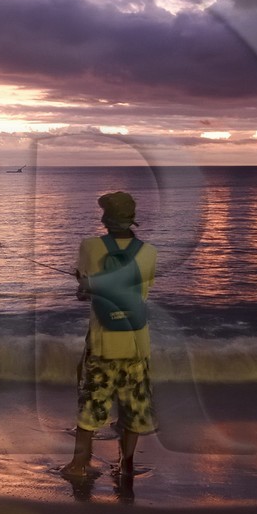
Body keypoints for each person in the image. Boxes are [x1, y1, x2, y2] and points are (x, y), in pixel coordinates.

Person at [60, 191, 158, 490]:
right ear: (132, 219)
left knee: (91, 402)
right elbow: (143, 293)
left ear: (106, 218)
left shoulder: (90, 246)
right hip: (136, 342)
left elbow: (84, 285)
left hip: (103, 341)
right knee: (134, 405)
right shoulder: (149, 252)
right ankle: (126, 465)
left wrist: (85, 287)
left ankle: (80, 463)